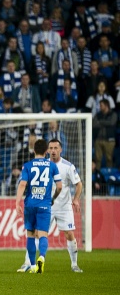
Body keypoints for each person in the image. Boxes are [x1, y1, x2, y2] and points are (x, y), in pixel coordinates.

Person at [17, 139, 83, 273]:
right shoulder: (45, 165)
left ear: (61, 150)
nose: (53, 151)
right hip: (47, 205)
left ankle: (74, 264)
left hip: (64, 206)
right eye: (51, 148)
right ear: (47, 150)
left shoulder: (68, 166)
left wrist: (76, 199)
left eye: (55, 148)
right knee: (37, 234)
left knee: (69, 233)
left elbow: (79, 184)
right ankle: (27, 263)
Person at [15, 139, 62, 274]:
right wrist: (53, 198)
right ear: (46, 151)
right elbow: (59, 186)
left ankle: (32, 264)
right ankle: (42, 257)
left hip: (30, 204)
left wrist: (17, 202)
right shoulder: (52, 166)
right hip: (44, 205)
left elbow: (23, 184)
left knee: (30, 234)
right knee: (43, 234)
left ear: (34, 150)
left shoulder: (27, 166)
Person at [93, 99, 117, 168]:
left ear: (106, 106)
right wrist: (106, 122)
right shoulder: (98, 114)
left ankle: (109, 174)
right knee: (98, 159)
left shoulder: (113, 114)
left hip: (109, 140)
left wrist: (100, 122)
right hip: (98, 139)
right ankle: (97, 174)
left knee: (109, 158)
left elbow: (112, 123)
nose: (100, 107)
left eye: (101, 105)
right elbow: (94, 124)